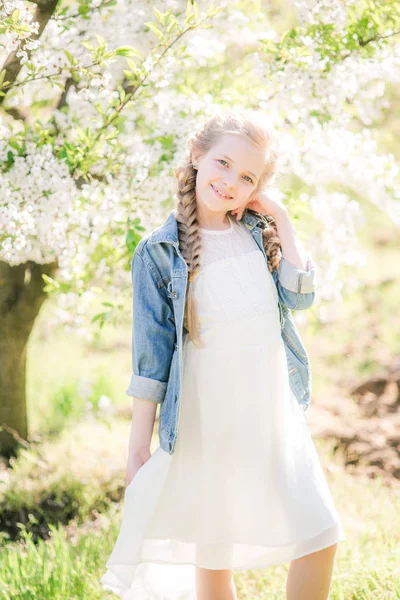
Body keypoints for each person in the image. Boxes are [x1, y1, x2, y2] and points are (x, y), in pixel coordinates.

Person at [100, 109, 346, 600]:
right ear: (197, 156)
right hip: (206, 416)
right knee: (214, 554)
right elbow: (151, 361)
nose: (230, 181)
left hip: (271, 412)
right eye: (223, 163)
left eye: (247, 176)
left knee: (321, 534)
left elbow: (300, 296)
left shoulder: (257, 232)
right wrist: (137, 450)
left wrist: (283, 219)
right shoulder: (158, 252)